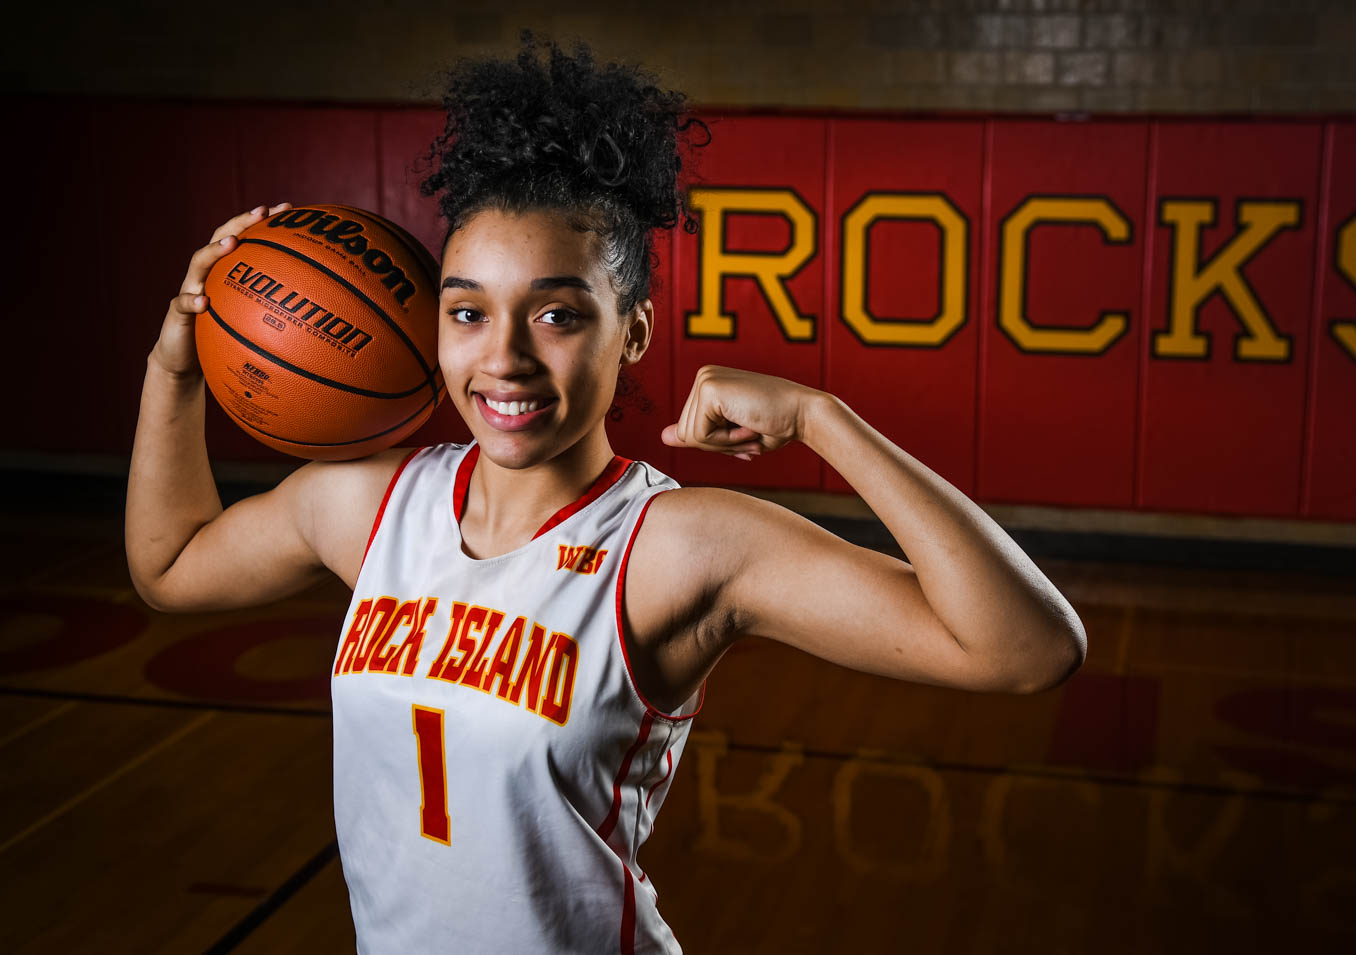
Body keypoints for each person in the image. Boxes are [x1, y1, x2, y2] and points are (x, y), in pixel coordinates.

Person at [125, 35, 1085, 955]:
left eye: (556, 313)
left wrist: (822, 420)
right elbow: (170, 567)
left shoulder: (676, 545)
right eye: (467, 311)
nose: (502, 356)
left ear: (632, 333)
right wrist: (177, 369)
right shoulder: (371, 506)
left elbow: (1027, 648)